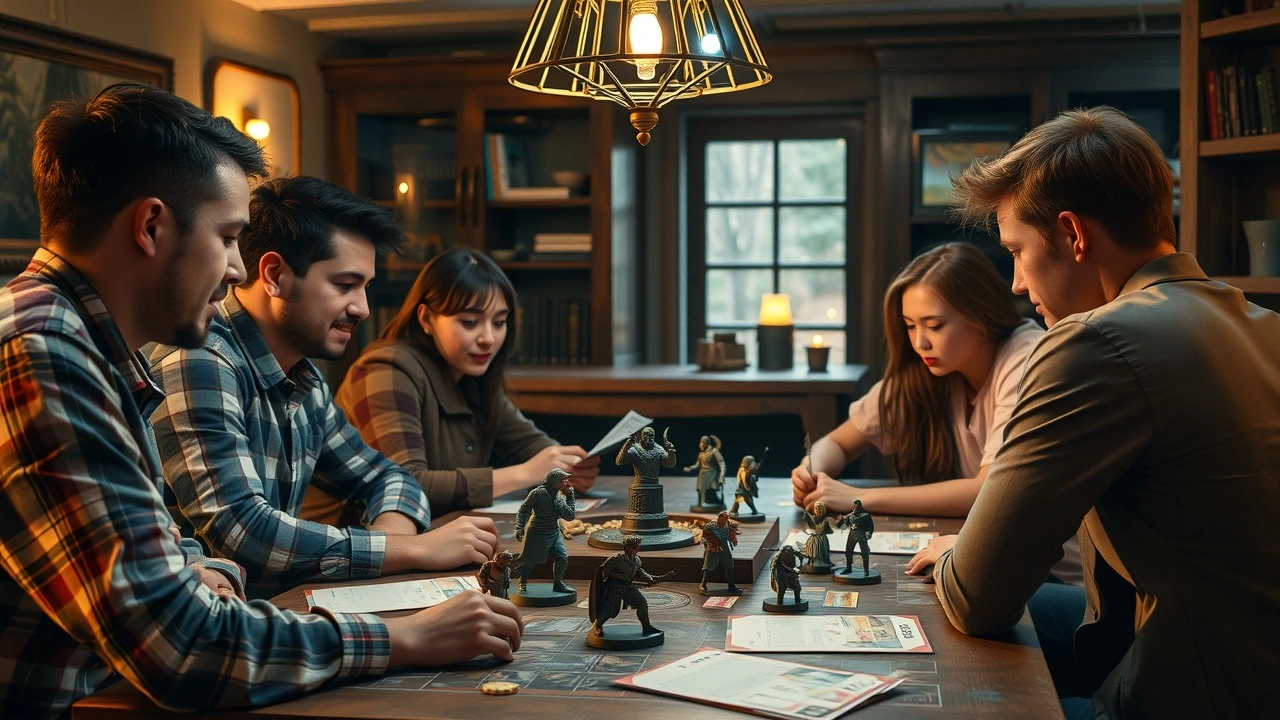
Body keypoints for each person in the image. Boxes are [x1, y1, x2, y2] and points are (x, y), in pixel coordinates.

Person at [0, 82, 521, 719]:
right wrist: (406, 635)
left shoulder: (91, 344)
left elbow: (164, 543)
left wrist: (192, 566)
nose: (237, 271)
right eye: (226, 238)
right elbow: (185, 644)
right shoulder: (44, 353)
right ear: (151, 226)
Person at [916, 106, 1280, 719]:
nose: (1014, 284)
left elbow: (979, 595)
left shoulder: (1095, 342)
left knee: (932, 639)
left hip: (1199, 693)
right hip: (1253, 660)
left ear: (1072, 235)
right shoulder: (1264, 325)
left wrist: (961, 554)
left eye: (1016, 252)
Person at [149, 176, 499, 595]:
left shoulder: (302, 378)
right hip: (231, 631)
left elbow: (387, 476)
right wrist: (413, 551)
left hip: (285, 612)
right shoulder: (200, 360)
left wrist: (397, 543)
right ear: (275, 275)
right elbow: (243, 531)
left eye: (365, 287)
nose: (363, 308)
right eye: (344, 285)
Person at [334, 247, 599, 516]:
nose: (488, 338)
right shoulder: (384, 370)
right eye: (470, 322)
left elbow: (529, 444)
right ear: (426, 319)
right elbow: (405, 485)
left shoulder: (471, 373)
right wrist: (527, 473)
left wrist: (567, 469)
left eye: (499, 322)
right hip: (350, 546)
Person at [792, 241, 1044, 519]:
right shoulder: (931, 371)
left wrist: (857, 497)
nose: (919, 342)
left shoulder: (1027, 359)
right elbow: (838, 443)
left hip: (1048, 557)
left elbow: (988, 491)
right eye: (910, 325)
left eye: (934, 326)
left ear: (980, 317)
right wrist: (811, 470)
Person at [513, 468, 577, 593]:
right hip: (538, 531)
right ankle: (522, 580)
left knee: (562, 558)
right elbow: (524, 510)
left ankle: (558, 584)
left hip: (554, 531)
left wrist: (570, 496)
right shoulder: (537, 493)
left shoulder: (558, 497)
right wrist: (519, 527)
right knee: (530, 560)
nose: (566, 482)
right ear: (554, 481)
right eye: (563, 480)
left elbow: (569, 516)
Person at [589, 535, 663, 636]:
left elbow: (639, 570)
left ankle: (646, 626)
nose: (639, 547)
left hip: (628, 587)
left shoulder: (636, 559)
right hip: (615, 587)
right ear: (629, 547)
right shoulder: (616, 559)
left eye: (639, 545)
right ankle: (597, 624)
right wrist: (604, 584)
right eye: (637, 545)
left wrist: (650, 578)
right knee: (610, 609)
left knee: (642, 603)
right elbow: (603, 571)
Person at [698, 512, 741, 594]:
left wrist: (733, 538)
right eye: (723, 518)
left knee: (729, 566)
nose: (724, 521)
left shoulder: (727, 525)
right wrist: (711, 544)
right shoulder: (710, 526)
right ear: (719, 518)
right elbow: (705, 536)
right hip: (714, 547)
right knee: (708, 566)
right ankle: (703, 584)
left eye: (725, 519)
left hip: (724, 546)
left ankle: (731, 586)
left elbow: (730, 533)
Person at [683, 434, 726, 508]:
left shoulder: (714, 451)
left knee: (710, 489)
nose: (700, 445)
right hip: (702, 474)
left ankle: (711, 502)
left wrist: (721, 476)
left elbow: (722, 463)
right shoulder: (701, 454)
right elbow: (697, 465)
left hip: (712, 473)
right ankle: (702, 503)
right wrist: (690, 468)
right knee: (700, 489)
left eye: (702, 442)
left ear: (706, 442)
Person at [836, 499, 874, 576]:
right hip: (852, 535)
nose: (854, 507)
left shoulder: (866, 516)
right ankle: (848, 568)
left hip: (861, 534)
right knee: (848, 552)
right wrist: (840, 522)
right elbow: (844, 527)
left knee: (865, 553)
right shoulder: (850, 516)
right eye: (853, 505)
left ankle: (866, 570)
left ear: (859, 506)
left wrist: (868, 534)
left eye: (856, 505)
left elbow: (870, 526)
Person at [801, 501, 835, 572]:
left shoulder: (826, 519)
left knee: (820, 548)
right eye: (816, 508)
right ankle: (813, 563)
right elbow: (810, 526)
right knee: (813, 547)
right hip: (814, 537)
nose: (818, 510)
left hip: (822, 537)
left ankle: (821, 563)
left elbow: (827, 529)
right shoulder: (813, 518)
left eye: (819, 508)